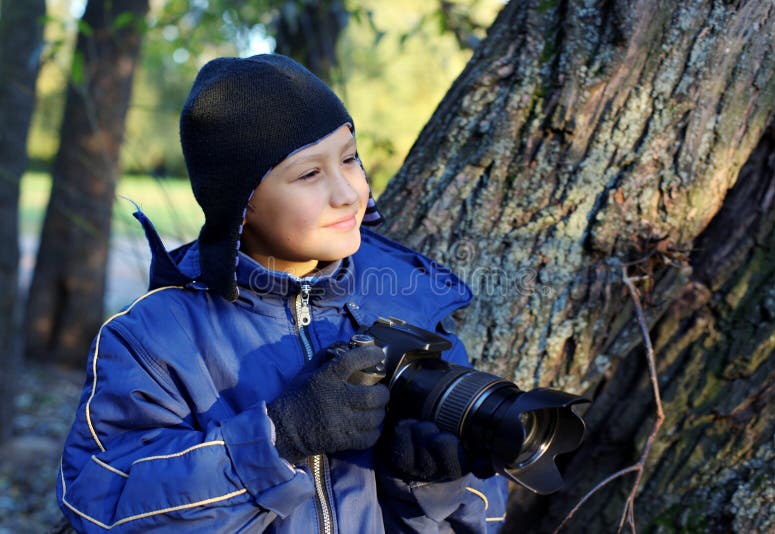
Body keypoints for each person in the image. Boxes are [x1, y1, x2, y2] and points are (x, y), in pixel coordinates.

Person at [57, 53, 508, 533]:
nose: (348, 192)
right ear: (241, 203)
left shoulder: (410, 299)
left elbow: (486, 514)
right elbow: (103, 508)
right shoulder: (155, 339)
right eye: (309, 174)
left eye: (350, 158)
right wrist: (279, 436)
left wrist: (428, 485)